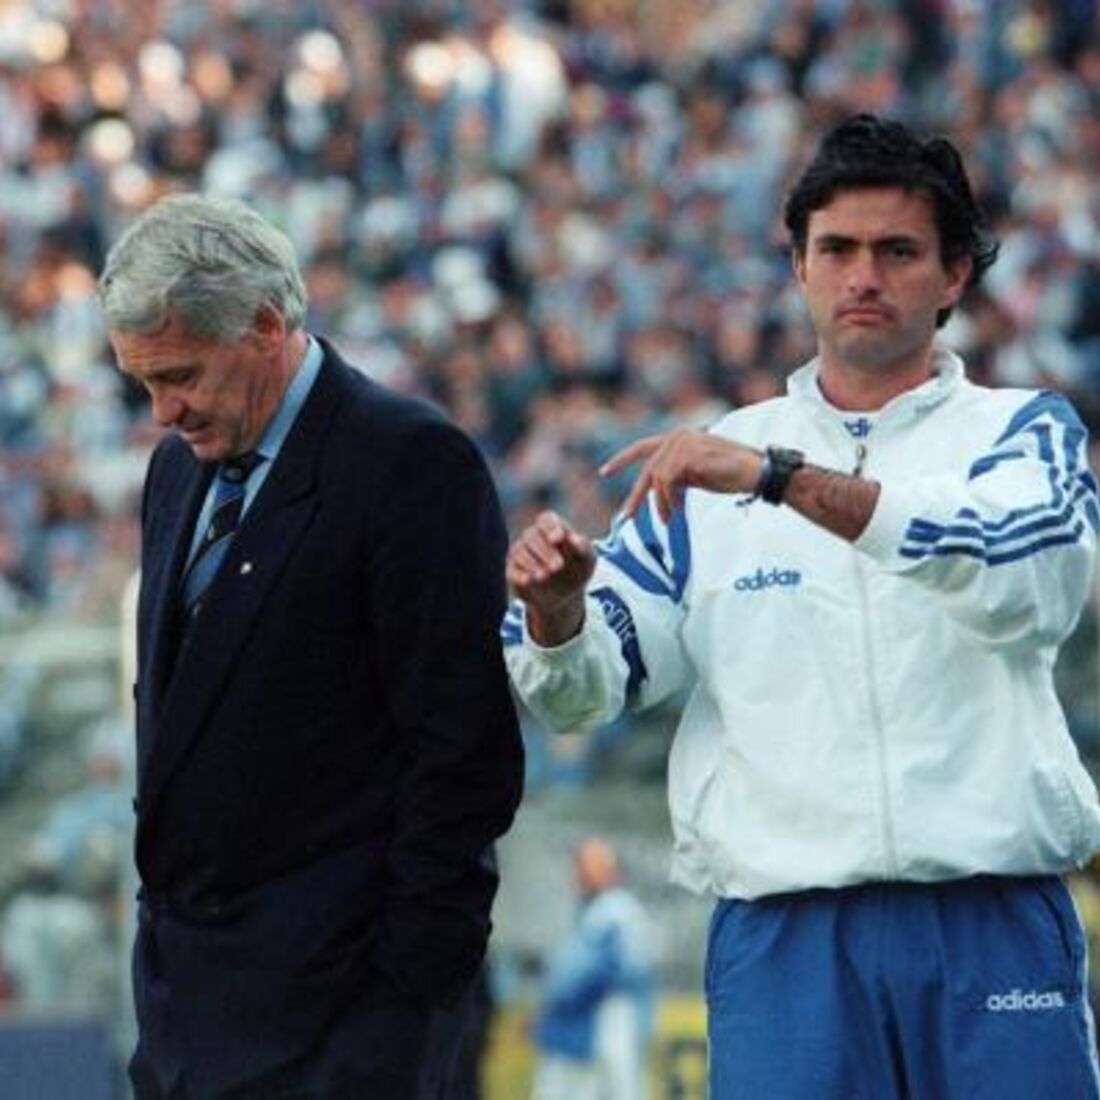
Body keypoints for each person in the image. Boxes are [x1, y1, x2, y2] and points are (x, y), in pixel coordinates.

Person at [502, 113, 1100, 1097]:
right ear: (798, 266)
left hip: (988, 915)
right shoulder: (704, 467)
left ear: (953, 276)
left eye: (896, 250)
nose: (862, 274)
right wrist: (557, 611)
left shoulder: (1018, 430)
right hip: (786, 939)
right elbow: (585, 692)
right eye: (836, 249)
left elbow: (1023, 584)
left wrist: (780, 479)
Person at [98, 194, 524, 1099]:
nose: (163, 411)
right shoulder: (178, 470)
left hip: (346, 1013)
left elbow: (463, 750)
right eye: (144, 384)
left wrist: (409, 991)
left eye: (180, 375)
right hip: (188, 1007)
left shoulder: (407, 462)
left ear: (264, 324)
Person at [530, 837, 656, 1100]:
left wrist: (552, 1005)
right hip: (585, 1031)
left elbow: (581, 976)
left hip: (595, 1029)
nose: (580, 874)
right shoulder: (598, 911)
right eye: (580, 866)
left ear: (611, 871)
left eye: (589, 866)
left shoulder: (613, 912)